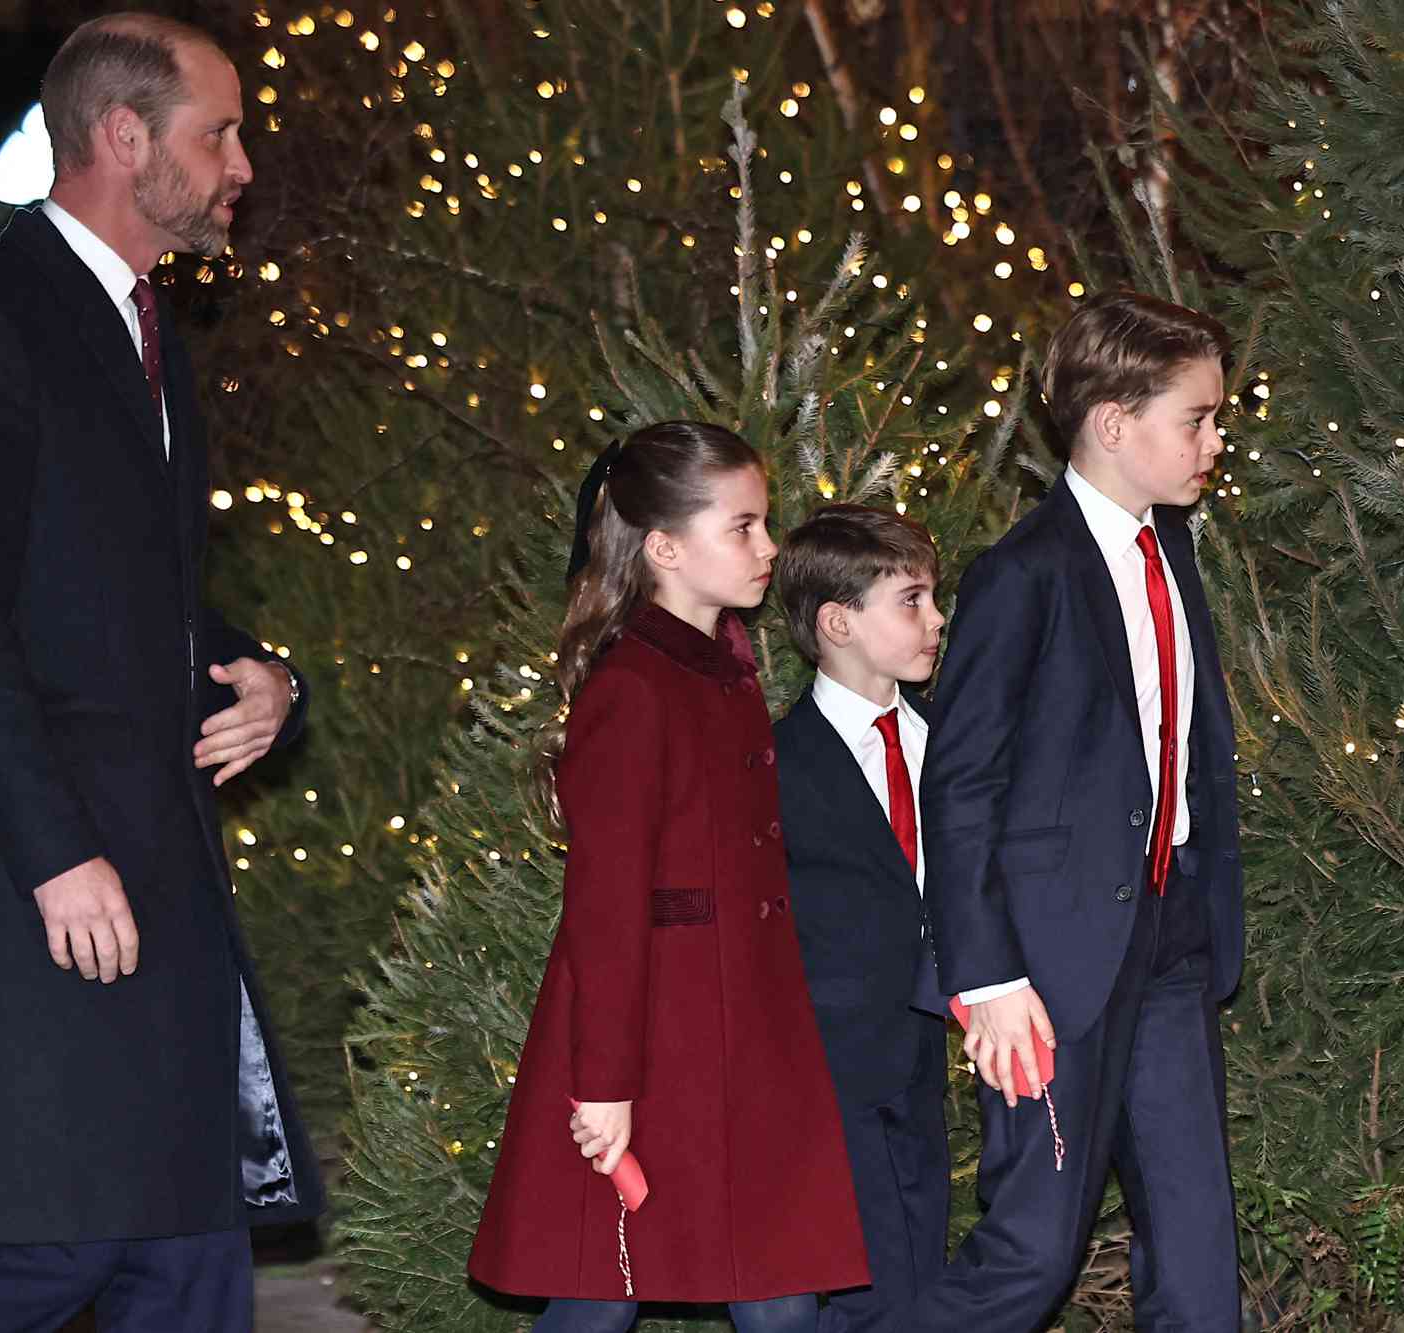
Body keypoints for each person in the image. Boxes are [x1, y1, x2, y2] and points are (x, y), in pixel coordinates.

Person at [0, 15, 321, 1330]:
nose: (240, 166)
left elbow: (121, 589)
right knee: (44, 1246)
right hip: (40, 867)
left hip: (156, 856)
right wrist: (57, 853)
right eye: (217, 133)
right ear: (125, 138)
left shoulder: (144, 327)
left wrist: (257, 671)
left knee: (185, 1246)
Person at [466, 422, 870, 1332]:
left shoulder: (719, 668)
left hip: (737, 1038)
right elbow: (605, 907)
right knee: (606, 1291)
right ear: (664, 547)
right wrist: (605, 1083)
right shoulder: (633, 688)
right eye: (744, 527)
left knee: (767, 1286)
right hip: (658, 1048)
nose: (770, 547)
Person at [910, 289, 1245, 1330]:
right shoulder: (1024, 574)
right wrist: (988, 976)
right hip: (1048, 967)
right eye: (1194, 419)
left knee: (1196, 1250)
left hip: (1171, 931)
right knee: (1032, 1251)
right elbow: (957, 784)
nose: (1214, 439)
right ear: (1113, 424)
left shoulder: (1170, 548)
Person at [771, 505, 952, 1333]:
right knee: (869, 1289)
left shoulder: (954, 742)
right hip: (826, 1071)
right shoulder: (774, 762)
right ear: (838, 621)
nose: (936, 619)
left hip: (925, 1064)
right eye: (911, 600)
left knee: (915, 1273)